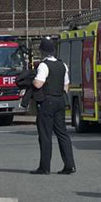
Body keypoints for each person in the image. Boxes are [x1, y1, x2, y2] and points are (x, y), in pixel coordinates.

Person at [31, 37, 76, 175]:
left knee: (45, 134)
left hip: (47, 101)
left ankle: (44, 167)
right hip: (60, 100)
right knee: (62, 133)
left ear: (43, 52)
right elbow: (66, 84)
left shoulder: (43, 66)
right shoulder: (63, 65)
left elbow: (39, 83)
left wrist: (31, 80)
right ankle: (69, 165)